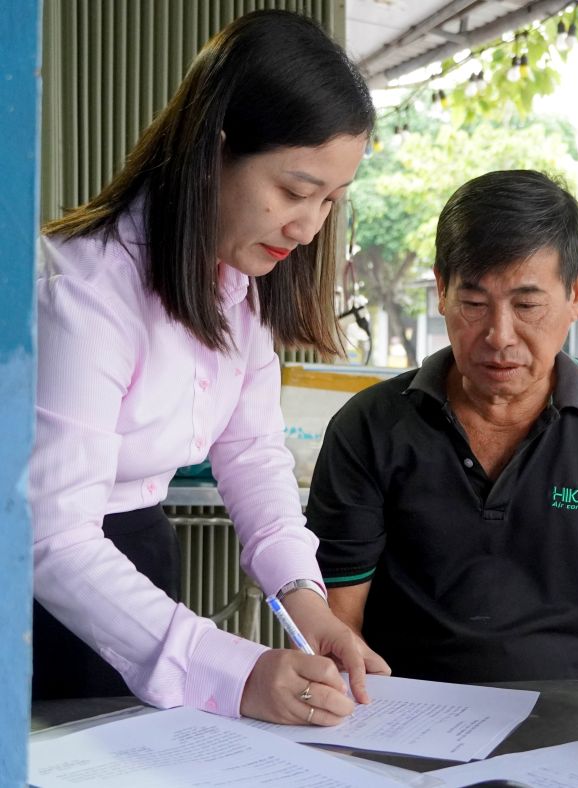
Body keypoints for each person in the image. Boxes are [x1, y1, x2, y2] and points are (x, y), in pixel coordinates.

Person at [32, 10, 390, 725]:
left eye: (330, 200)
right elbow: (52, 535)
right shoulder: (79, 288)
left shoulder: (236, 283)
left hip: (135, 553)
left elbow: (253, 454)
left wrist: (306, 601)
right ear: (213, 148)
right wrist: (238, 669)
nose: (309, 225)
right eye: (293, 190)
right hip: (45, 590)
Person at [307, 169, 578, 686]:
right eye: (473, 303)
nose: (498, 335)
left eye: (527, 305)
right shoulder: (370, 426)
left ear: (577, 293)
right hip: (404, 716)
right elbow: (337, 619)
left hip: (572, 730)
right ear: (441, 290)